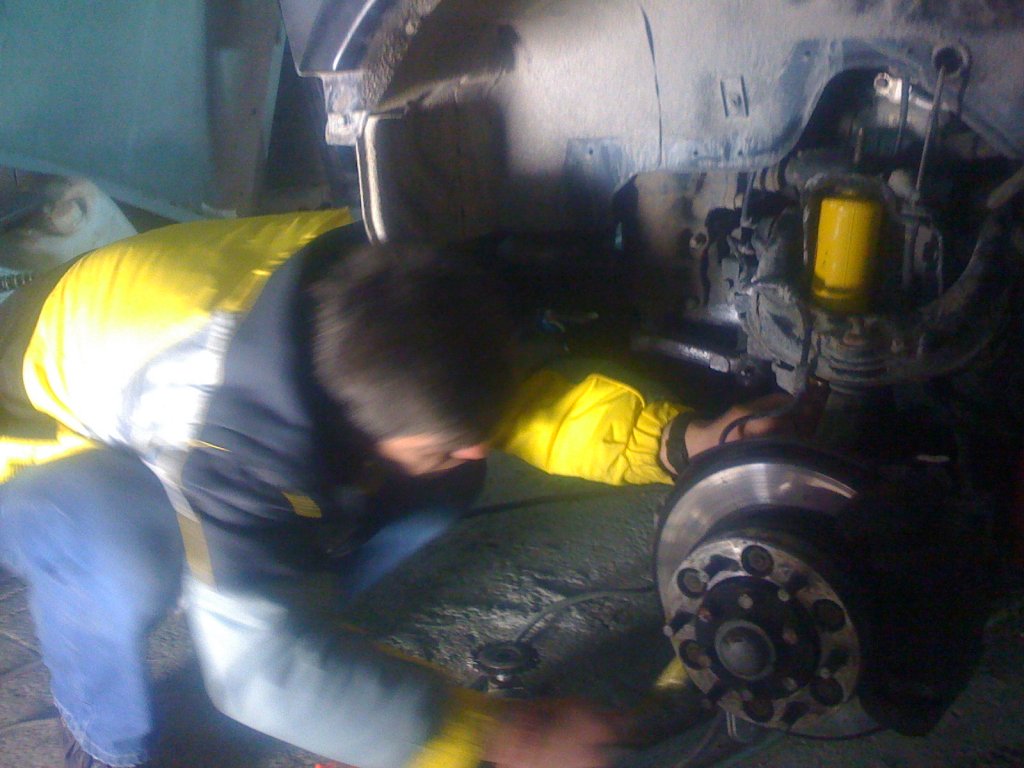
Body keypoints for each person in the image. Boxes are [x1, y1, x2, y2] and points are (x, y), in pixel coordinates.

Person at [0, 209, 793, 768]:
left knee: (442, 478)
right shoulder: (238, 436)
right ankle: (101, 739)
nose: (476, 449)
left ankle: (333, 649)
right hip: (36, 435)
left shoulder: (421, 279)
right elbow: (258, 672)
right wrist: (501, 735)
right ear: (356, 422)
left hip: (170, 345)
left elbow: (511, 404)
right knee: (127, 549)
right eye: (435, 441)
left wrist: (683, 442)